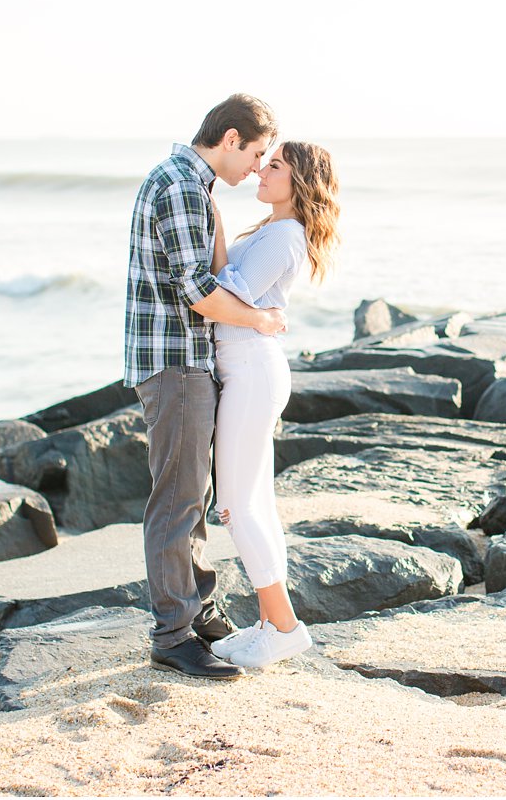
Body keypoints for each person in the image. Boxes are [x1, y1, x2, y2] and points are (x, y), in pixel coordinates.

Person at [123, 93, 287, 681]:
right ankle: (172, 635)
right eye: (257, 153)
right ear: (232, 138)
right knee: (176, 501)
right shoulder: (183, 187)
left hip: (181, 360)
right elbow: (199, 291)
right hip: (174, 363)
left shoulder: (188, 183)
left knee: (189, 493)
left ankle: (196, 610)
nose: (257, 168)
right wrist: (263, 320)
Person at [203, 141, 340, 668]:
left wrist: (214, 222)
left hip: (251, 370)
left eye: (275, 165)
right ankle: (268, 625)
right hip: (249, 367)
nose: (262, 169)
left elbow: (222, 296)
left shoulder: (283, 236)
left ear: (299, 182)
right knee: (256, 503)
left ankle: (283, 625)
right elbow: (233, 292)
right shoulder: (275, 231)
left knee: (236, 507)